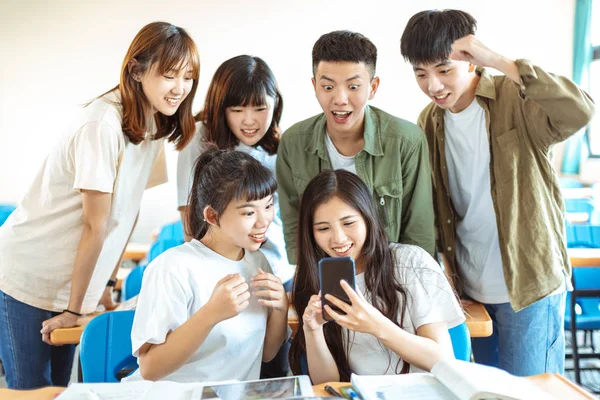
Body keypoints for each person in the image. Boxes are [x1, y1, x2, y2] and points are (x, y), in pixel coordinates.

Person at [0, 21, 200, 389]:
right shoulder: (102, 126)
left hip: (74, 282)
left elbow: (129, 209)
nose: (180, 88)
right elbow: (97, 224)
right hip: (29, 276)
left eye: (188, 77)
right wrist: (76, 309)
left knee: (62, 391)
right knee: (31, 390)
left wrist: (107, 282)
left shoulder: (152, 122)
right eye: (170, 75)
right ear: (137, 71)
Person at [400, 9, 595, 376]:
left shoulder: (515, 98)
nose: (433, 85)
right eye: (421, 73)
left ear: (472, 62)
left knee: (533, 392)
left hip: (530, 286)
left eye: (444, 70)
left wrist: (501, 61)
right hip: (470, 291)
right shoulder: (428, 121)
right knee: (488, 391)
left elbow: (581, 111)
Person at [129, 145, 289, 382]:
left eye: (267, 206)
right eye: (248, 213)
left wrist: (281, 308)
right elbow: (150, 369)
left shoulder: (258, 261)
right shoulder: (172, 267)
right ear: (212, 216)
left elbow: (266, 354)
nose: (264, 221)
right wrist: (211, 314)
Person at [289, 169, 464, 384]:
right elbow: (327, 385)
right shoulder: (315, 280)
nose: (338, 238)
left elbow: (442, 359)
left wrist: (376, 325)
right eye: (323, 228)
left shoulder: (411, 262)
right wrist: (313, 331)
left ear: (367, 218)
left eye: (349, 223)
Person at [276, 30, 435, 265]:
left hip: (391, 277)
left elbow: (418, 229)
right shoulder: (293, 143)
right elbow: (293, 223)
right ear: (314, 85)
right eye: (328, 87)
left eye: (353, 87)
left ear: (372, 87)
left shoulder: (406, 141)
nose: (340, 99)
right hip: (325, 276)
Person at [177, 54, 294, 287]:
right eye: (237, 110)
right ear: (221, 108)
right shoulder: (199, 137)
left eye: (260, 108)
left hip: (275, 269)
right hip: (219, 270)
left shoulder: (282, 148)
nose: (249, 121)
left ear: (275, 104)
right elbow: (189, 216)